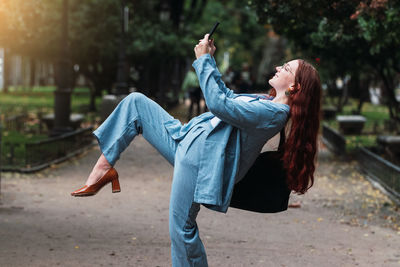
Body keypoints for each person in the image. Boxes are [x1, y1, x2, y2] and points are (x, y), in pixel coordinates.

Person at [71, 34, 322, 266]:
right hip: (184, 140)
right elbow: (225, 94)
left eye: (286, 68)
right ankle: (103, 169)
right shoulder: (265, 101)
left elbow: (218, 104)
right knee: (136, 103)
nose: (279, 67)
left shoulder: (274, 114)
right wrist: (209, 59)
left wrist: (202, 60)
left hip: (199, 162)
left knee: (181, 229)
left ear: (295, 87)